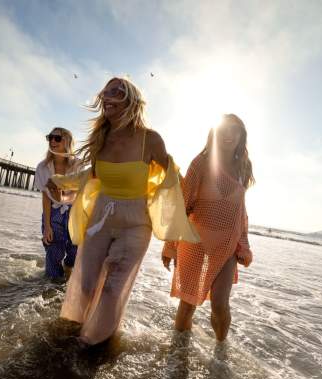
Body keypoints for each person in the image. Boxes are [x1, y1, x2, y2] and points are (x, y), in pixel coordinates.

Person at [46, 77, 200, 346]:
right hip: (100, 218)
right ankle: (73, 330)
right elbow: (90, 175)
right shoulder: (101, 138)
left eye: (117, 91)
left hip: (136, 224)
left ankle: (93, 342)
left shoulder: (149, 140)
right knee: (85, 283)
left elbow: (173, 177)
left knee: (112, 289)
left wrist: (189, 210)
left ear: (131, 101)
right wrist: (60, 181)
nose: (108, 95)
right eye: (106, 90)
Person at [162, 114, 255, 342]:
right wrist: (170, 245)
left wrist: (243, 245)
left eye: (235, 130)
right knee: (188, 304)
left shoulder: (243, 167)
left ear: (241, 135)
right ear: (214, 132)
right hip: (194, 241)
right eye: (224, 128)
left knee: (220, 305)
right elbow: (183, 205)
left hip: (227, 245)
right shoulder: (201, 162)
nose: (229, 134)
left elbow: (239, 212)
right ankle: (179, 355)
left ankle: (220, 354)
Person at [35, 127, 80, 282]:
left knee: (74, 252)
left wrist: (63, 197)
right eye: (50, 138)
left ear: (67, 141)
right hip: (53, 213)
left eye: (57, 138)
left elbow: (78, 193)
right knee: (54, 253)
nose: (52, 141)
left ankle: (68, 269)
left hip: (75, 213)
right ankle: (51, 291)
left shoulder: (78, 165)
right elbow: (46, 198)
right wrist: (47, 226)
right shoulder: (42, 167)